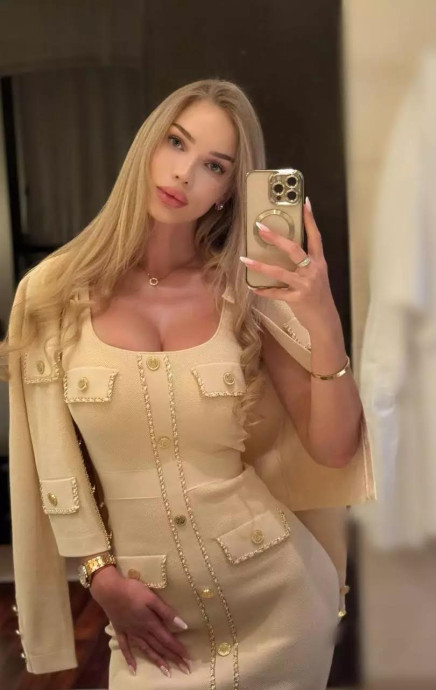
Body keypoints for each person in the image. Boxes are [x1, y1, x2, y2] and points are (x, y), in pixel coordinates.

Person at [2, 78, 375, 689]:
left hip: (280, 608)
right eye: (176, 143)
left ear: (230, 190)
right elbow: (47, 455)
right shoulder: (51, 294)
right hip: (155, 623)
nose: (183, 174)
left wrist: (323, 319)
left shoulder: (246, 293)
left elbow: (333, 448)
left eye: (214, 165)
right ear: (147, 145)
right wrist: (98, 574)